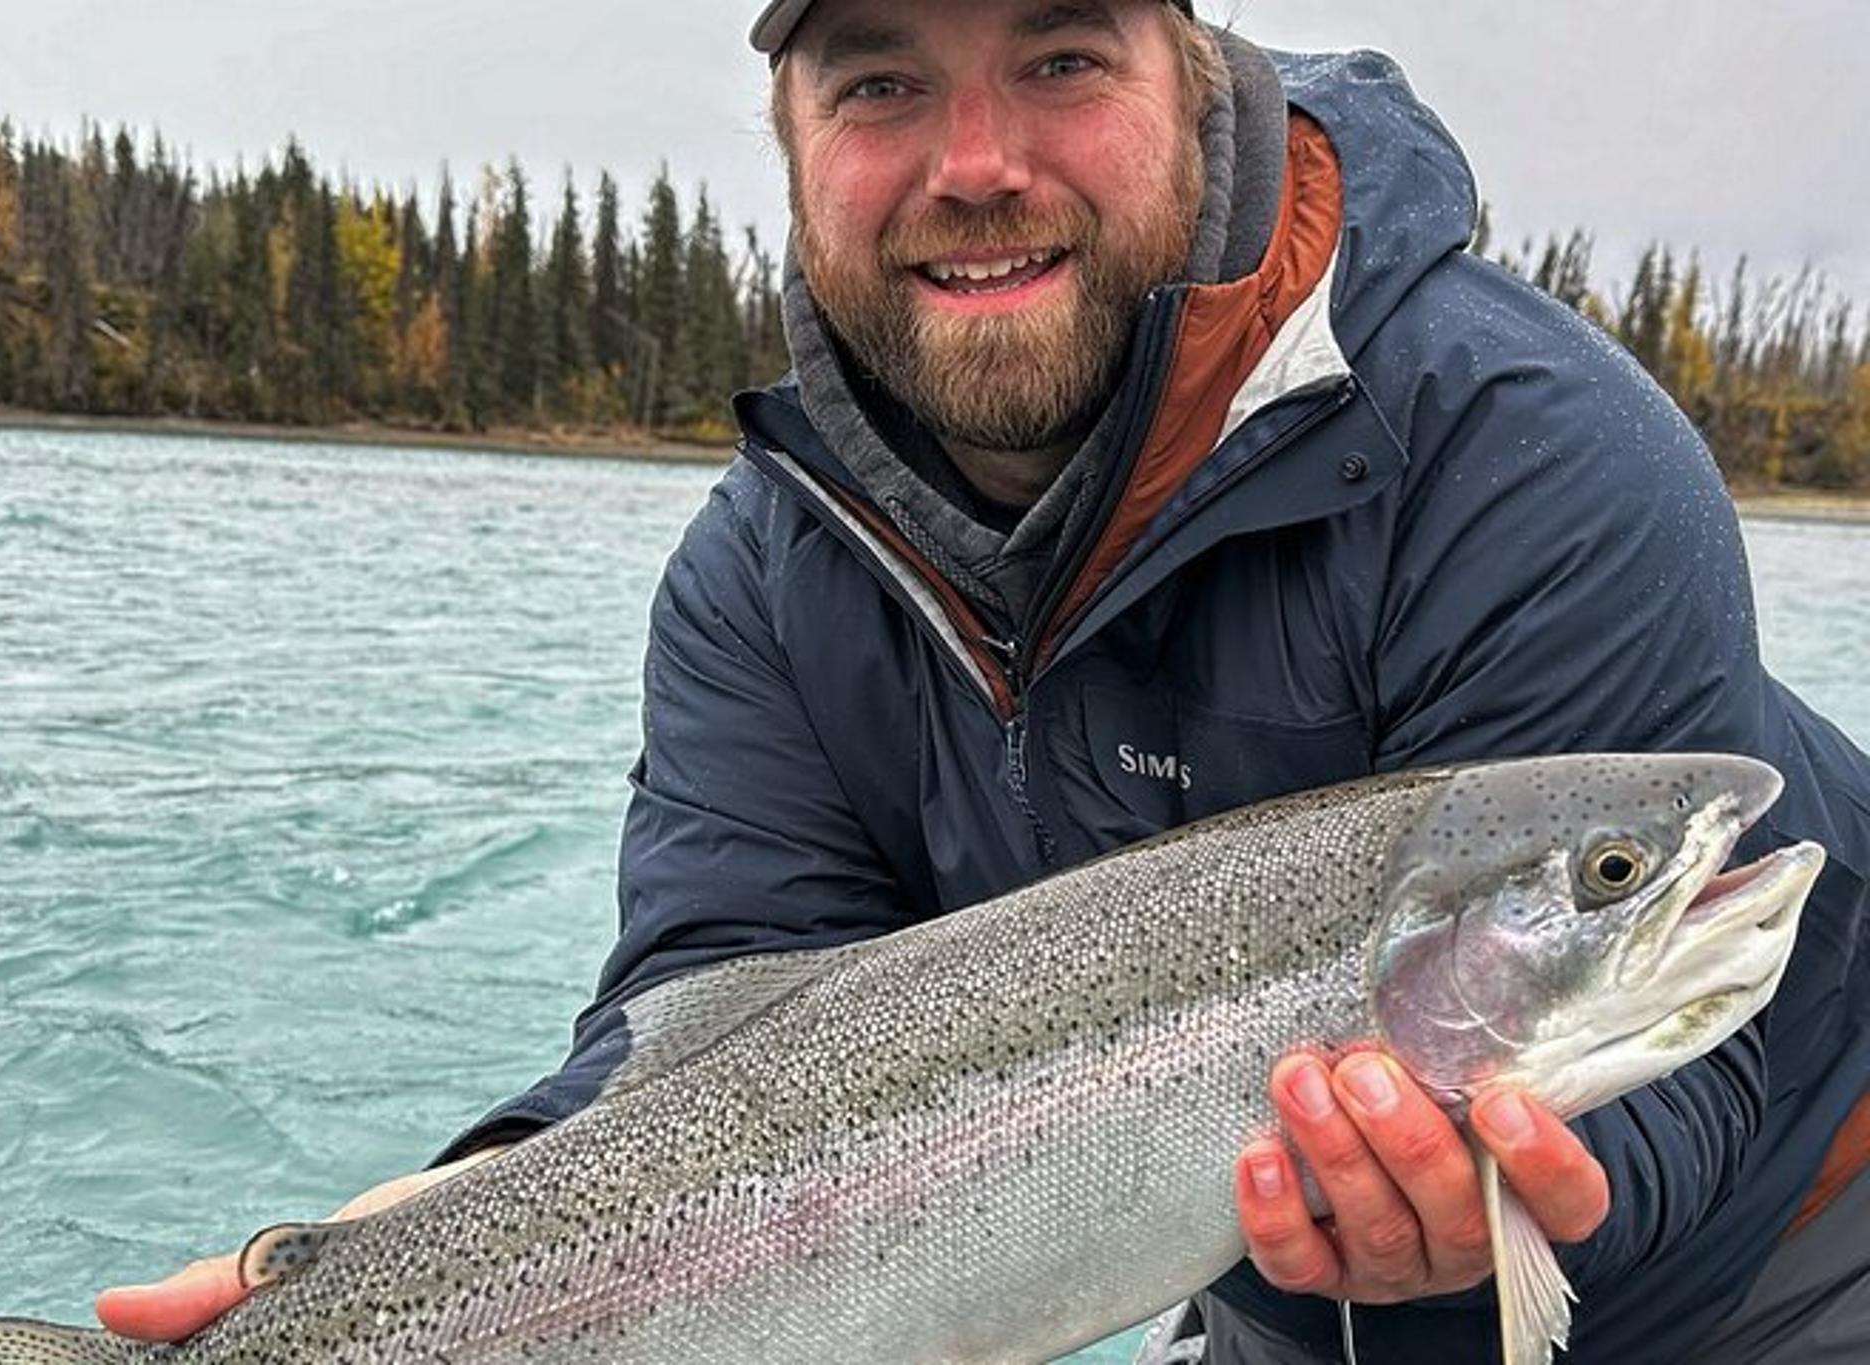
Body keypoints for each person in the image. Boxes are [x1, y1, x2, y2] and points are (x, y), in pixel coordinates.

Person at [96, 2, 1870, 1360]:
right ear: (789, 136)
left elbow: (1684, 1090)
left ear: (1193, 71)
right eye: (879, 81)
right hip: (1276, 1297)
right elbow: (722, 1019)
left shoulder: (1530, 454)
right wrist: (438, 1236)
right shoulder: (764, 573)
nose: (975, 164)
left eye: (1058, 59)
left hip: (1799, 1251)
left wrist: (1509, 1220)